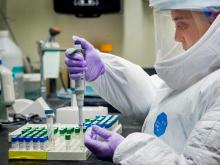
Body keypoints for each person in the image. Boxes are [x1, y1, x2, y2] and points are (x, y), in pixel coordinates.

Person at [65, 0, 220, 164]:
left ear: (215, 22)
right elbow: (157, 101)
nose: (176, 37)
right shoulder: (200, 73)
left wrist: (125, 149)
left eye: (182, 25)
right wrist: (104, 70)